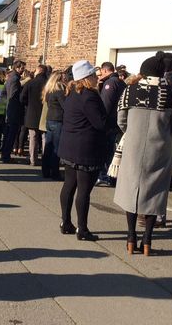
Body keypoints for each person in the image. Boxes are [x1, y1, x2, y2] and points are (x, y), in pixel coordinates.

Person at [113, 56, 172, 256]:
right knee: (155, 194)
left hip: (133, 148)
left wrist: (133, 132)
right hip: (160, 149)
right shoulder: (171, 92)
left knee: (131, 191)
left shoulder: (130, 90)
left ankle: (130, 237)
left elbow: (121, 120)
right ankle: (147, 240)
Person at [58, 60, 106, 241]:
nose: (97, 77)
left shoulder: (72, 93)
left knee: (69, 185)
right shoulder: (89, 96)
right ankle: (83, 229)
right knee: (84, 190)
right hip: (85, 149)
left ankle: (65, 222)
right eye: (94, 75)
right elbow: (100, 123)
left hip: (70, 146)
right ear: (87, 78)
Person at [96, 62, 126, 187]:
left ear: (104, 70)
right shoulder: (121, 82)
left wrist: (101, 120)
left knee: (106, 151)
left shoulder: (110, 83)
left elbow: (105, 105)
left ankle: (105, 176)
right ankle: (112, 176)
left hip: (109, 124)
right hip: (117, 123)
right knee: (113, 151)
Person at [20, 65, 48, 166]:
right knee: (45, 138)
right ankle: (46, 160)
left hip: (32, 112)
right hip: (45, 113)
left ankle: (33, 159)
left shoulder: (30, 83)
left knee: (33, 137)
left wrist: (28, 104)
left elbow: (22, 97)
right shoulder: (49, 83)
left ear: (39, 71)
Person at [41, 70, 66, 180]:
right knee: (56, 148)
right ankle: (55, 172)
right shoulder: (59, 91)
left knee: (48, 146)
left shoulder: (49, 90)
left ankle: (45, 170)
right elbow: (65, 106)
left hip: (50, 119)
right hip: (58, 120)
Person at [1, 60, 26, 163]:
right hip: (13, 111)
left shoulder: (10, 78)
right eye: (22, 68)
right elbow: (13, 95)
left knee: (8, 134)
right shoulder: (15, 79)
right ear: (17, 68)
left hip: (10, 110)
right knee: (10, 135)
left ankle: (5, 155)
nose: (23, 70)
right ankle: (6, 156)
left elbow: (4, 93)